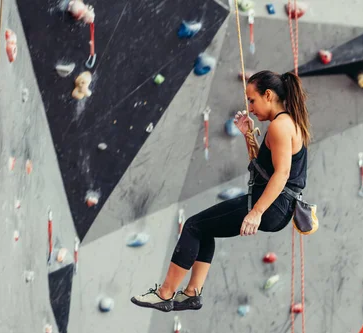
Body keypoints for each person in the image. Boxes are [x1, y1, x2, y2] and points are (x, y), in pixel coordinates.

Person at [131, 70, 311, 312]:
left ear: (268, 95)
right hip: (279, 206)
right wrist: (248, 133)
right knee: (204, 230)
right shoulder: (289, 123)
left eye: (252, 100)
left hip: (271, 205)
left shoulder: (279, 126)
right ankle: (191, 295)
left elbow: (282, 174)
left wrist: (256, 212)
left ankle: (165, 294)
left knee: (193, 226)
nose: (250, 107)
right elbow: (266, 168)